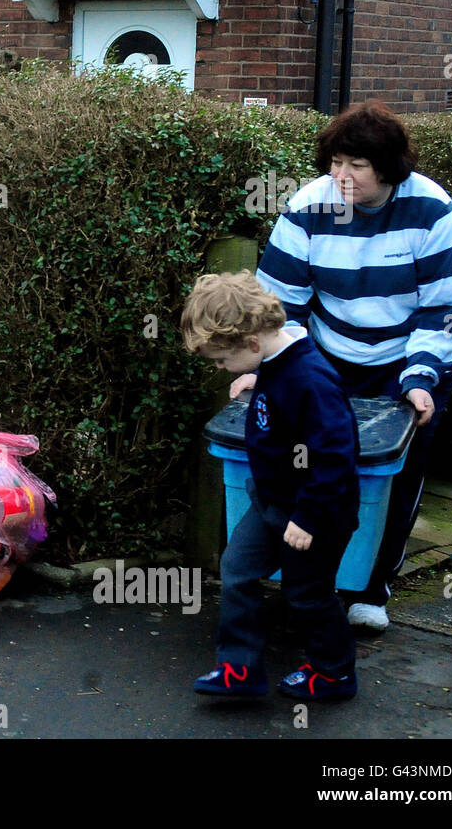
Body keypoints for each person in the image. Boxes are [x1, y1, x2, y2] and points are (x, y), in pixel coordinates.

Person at [249, 99, 452, 632]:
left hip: (405, 358)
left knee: (394, 475)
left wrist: (421, 379)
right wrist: (274, 367)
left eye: (357, 166)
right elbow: (280, 303)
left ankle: (372, 589)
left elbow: (442, 309)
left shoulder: (434, 213)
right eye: (335, 162)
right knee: (312, 464)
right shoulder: (308, 206)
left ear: (389, 169)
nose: (341, 176)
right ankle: (308, 579)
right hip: (325, 357)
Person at [183, 272, 361, 700]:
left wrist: (309, 516)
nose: (221, 369)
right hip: (271, 504)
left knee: (308, 595)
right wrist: (257, 377)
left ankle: (334, 673)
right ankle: (240, 669)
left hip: (314, 514)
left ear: (253, 343)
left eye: (222, 360)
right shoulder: (275, 364)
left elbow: (337, 456)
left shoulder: (310, 380)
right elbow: (278, 391)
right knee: (237, 571)